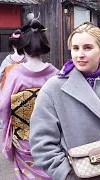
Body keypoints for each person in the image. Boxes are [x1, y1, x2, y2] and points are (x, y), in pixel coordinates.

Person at [30, 22, 100, 180]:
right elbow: (42, 143)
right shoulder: (53, 88)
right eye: (75, 48)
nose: (80, 54)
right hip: (81, 174)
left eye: (87, 48)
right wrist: (67, 175)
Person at [0, 19, 58, 179]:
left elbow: (4, 108)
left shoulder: (15, 74)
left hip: (24, 140)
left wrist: (7, 132)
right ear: (43, 46)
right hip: (50, 138)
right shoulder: (55, 74)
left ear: (23, 47)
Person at [0, 29, 25, 128]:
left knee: (10, 122)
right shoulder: (27, 59)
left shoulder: (8, 60)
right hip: (25, 93)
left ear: (12, 45)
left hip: (10, 94)